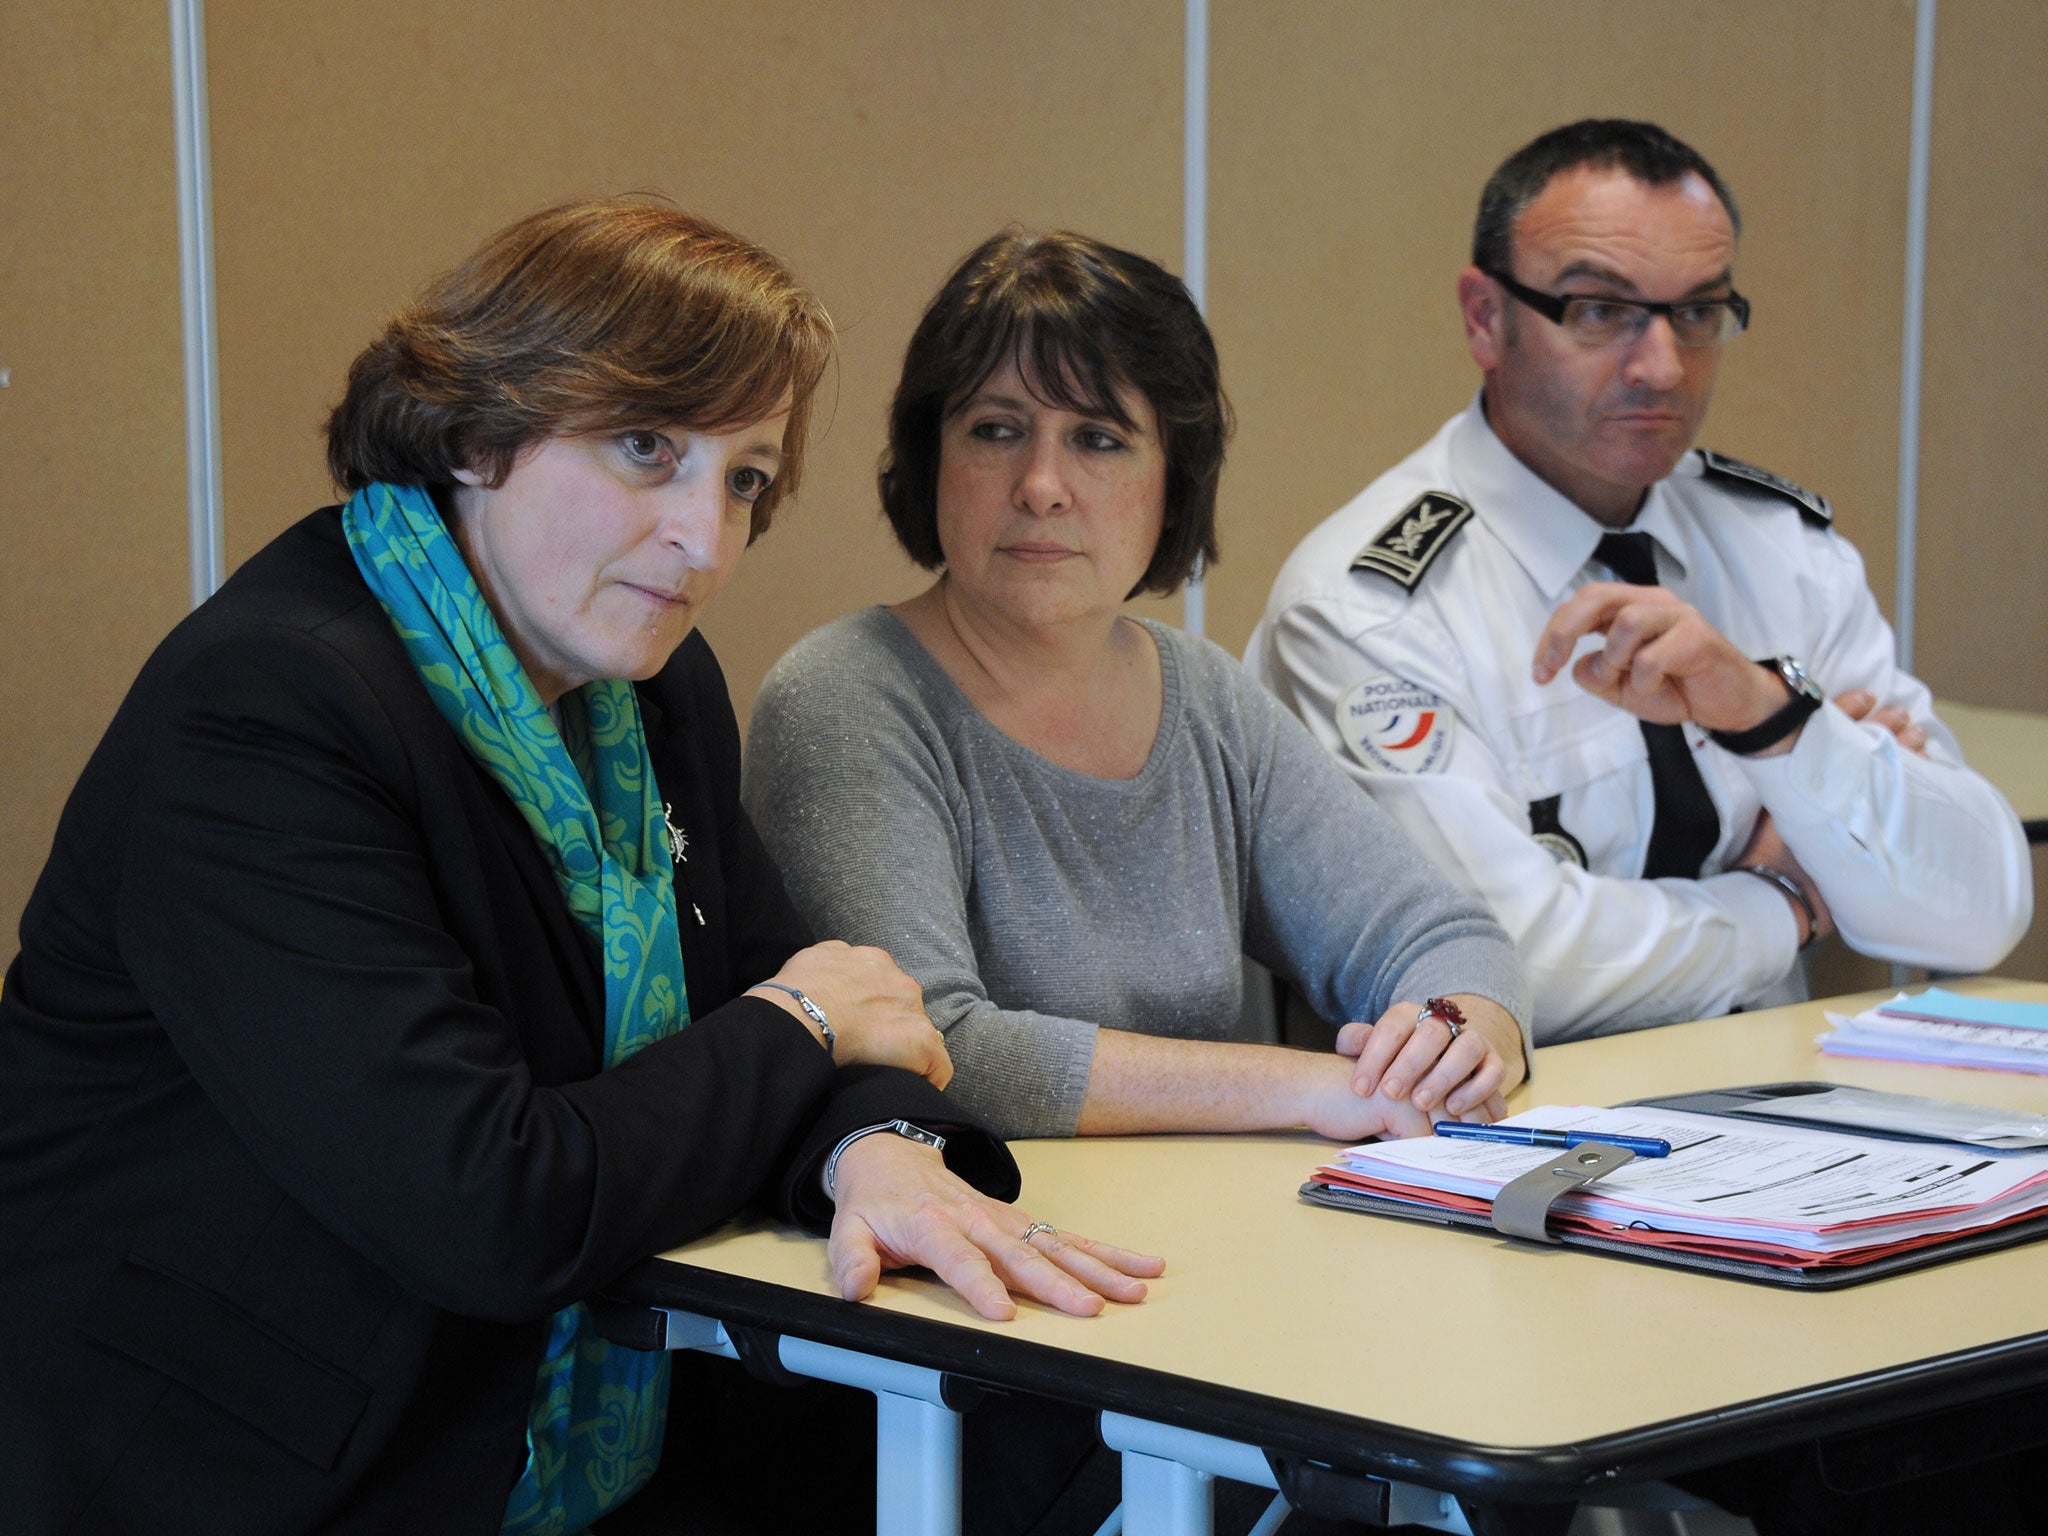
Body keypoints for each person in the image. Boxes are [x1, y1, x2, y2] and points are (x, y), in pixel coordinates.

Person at [0, 198, 1158, 1536]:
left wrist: (875, 1150)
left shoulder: (648, 686)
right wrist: (804, 1027)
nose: (704, 541)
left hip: (550, 1413)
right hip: (253, 1460)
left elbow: (799, 999)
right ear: (478, 429)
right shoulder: (269, 710)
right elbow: (490, 1202)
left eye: (743, 479)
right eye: (646, 449)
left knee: (1068, 1441)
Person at [1249, 119, 2031, 1044]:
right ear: (1484, 318)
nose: (1661, 366)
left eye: (1698, 312)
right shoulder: (1366, 605)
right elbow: (1501, 968)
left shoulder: (1780, 550)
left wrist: (1770, 719)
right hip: (1501, 1139)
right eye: (1599, 310)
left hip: (1788, 1117)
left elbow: (1979, 910)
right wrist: (1786, 896)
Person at [744, 228, 1530, 1146]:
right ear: (932, 460)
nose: (1042, 486)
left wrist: (1464, 1037)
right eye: (996, 431)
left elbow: (1439, 936)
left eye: (1099, 439)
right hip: (986, 1253)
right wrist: (1315, 1089)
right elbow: (932, 1045)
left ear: (1173, 483)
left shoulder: (1203, 692)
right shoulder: (842, 697)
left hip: (1221, 1239)